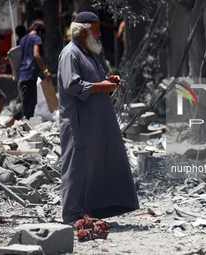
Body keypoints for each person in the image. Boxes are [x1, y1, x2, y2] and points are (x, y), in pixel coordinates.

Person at [57, 12, 139, 224]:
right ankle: (71, 215)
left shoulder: (88, 53)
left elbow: (93, 82)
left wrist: (108, 82)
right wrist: (101, 86)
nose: (100, 33)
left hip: (95, 121)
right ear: (84, 32)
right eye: (96, 30)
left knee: (95, 166)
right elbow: (71, 85)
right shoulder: (70, 54)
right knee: (77, 167)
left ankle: (89, 212)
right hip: (78, 122)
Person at [5, 20, 51, 127]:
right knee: (30, 102)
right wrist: (45, 70)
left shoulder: (23, 39)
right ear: (41, 31)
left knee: (29, 102)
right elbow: (36, 55)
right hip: (29, 74)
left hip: (22, 74)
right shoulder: (37, 38)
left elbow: (17, 58)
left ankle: (29, 126)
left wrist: (14, 73)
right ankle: (12, 120)